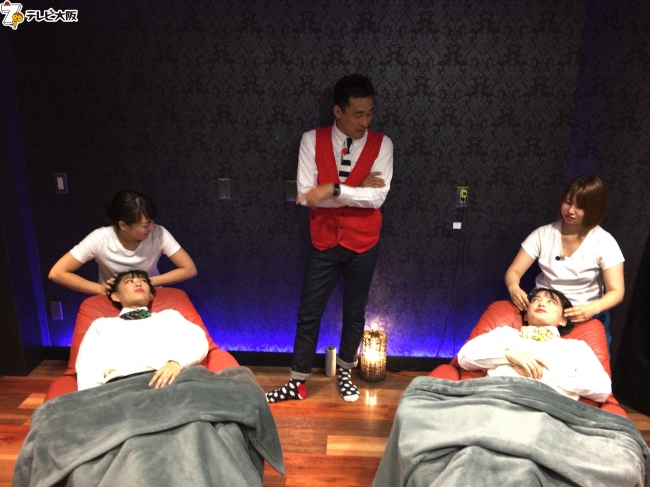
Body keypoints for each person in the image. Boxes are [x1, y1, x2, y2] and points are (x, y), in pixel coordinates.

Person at [266, 74, 393, 403]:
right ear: (338, 111)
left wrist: (334, 189)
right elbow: (308, 196)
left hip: (364, 243)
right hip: (323, 241)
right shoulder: (311, 140)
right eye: (358, 114)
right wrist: (357, 189)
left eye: (370, 113)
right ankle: (297, 381)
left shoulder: (383, 145)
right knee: (308, 312)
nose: (365, 122)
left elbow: (377, 199)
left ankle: (346, 373)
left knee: (355, 313)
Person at [504, 174, 624, 347]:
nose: (570, 210)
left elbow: (616, 291)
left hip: (582, 312)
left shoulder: (604, 241)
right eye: (568, 202)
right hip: (544, 309)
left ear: (594, 209)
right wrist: (514, 288)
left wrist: (592, 309)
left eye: (580, 207)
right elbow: (514, 271)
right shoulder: (543, 234)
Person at [457, 288, 611, 402]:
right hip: (495, 398)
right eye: (536, 300)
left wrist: (545, 374)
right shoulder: (505, 333)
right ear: (525, 315)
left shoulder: (576, 347)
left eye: (551, 302)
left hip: (549, 408)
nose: (541, 303)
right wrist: (508, 355)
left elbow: (603, 389)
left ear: (563, 320)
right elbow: (463, 357)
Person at [75, 270, 208, 391]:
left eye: (143, 281)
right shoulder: (102, 325)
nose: (138, 283)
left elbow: (197, 339)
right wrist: (93, 398)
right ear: (116, 296)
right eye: (130, 281)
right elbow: (88, 365)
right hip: (122, 387)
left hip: (169, 382)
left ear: (151, 295)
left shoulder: (169, 316)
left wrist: (176, 362)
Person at [49, 190, 197, 295]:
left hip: (148, 294)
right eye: (145, 225)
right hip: (114, 297)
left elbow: (189, 269)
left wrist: (146, 282)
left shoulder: (159, 233)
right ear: (123, 225)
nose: (152, 228)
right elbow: (57, 273)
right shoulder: (100, 238)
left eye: (152, 221)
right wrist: (101, 289)